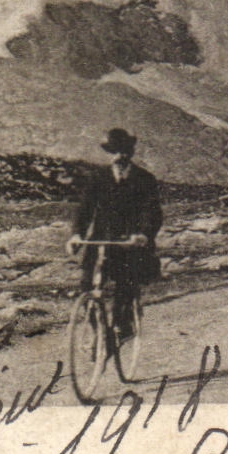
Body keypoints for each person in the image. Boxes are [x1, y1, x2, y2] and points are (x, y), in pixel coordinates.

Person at [67, 128, 163, 341]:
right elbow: (84, 210)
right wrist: (76, 235)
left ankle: (123, 325)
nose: (120, 156)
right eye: (115, 151)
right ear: (109, 153)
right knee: (87, 285)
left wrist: (143, 235)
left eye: (124, 150)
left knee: (125, 285)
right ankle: (99, 333)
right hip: (100, 240)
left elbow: (152, 212)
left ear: (131, 152)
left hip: (130, 243)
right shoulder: (98, 178)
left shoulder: (144, 179)